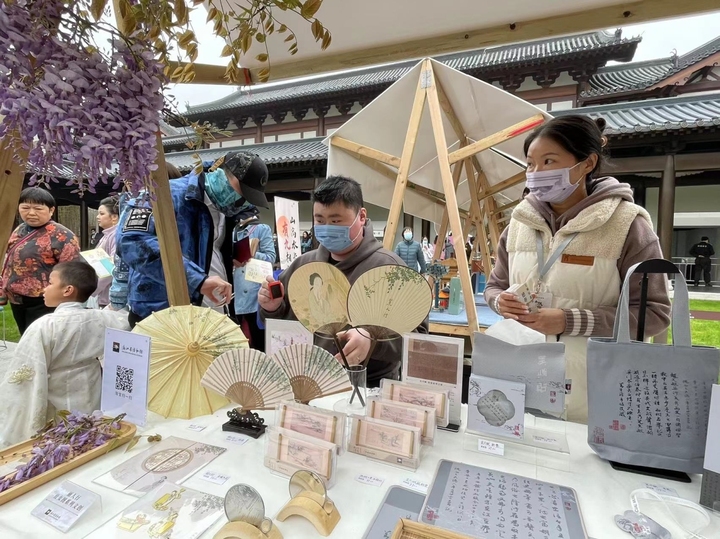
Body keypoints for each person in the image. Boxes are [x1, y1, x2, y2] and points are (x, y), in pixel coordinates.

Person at [484, 115, 671, 423]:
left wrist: (569, 321)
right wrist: (499, 301)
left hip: (593, 393)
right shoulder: (518, 225)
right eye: (530, 164)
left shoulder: (627, 226)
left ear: (587, 163)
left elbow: (654, 313)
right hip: (521, 382)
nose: (536, 173)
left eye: (549, 161)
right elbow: (494, 286)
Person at [258, 175, 429, 386]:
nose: (327, 227)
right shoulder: (302, 266)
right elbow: (278, 321)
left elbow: (419, 338)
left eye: (336, 221)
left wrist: (373, 340)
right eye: (320, 220)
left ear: (362, 216)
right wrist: (271, 308)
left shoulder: (390, 270)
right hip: (308, 382)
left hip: (368, 387)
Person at [116, 152, 269, 327]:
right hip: (161, 313)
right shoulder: (163, 195)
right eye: (242, 190)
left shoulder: (226, 209)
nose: (243, 200)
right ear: (222, 172)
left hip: (210, 312)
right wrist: (197, 280)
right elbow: (131, 242)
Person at [0, 261, 130, 448]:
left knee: (58, 440)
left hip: (55, 392)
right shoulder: (99, 318)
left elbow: (26, 372)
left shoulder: (45, 326)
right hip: (90, 387)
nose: (44, 289)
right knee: (87, 433)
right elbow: (126, 321)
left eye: (50, 283)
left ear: (68, 290)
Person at [1, 187, 80, 335]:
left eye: (38, 208)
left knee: (41, 338)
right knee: (25, 335)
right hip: (17, 299)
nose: (31, 213)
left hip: (43, 301)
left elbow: (72, 270)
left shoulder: (63, 235)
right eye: (25, 207)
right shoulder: (19, 229)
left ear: (51, 210)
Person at [110, 163, 183, 312]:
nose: (128, 180)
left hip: (147, 294)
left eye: (137, 175)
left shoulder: (143, 204)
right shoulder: (134, 203)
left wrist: (117, 298)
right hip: (171, 288)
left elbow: (130, 252)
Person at [232, 205, 275, 351]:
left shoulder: (262, 229)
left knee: (258, 339)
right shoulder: (234, 230)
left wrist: (251, 252)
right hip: (235, 292)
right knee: (239, 339)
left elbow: (271, 257)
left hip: (255, 292)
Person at [91, 196, 120, 308]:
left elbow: (111, 266)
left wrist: (92, 289)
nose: (98, 217)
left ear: (114, 217)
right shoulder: (107, 235)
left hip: (110, 294)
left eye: (102, 214)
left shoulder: (115, 235)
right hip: (104, 293)